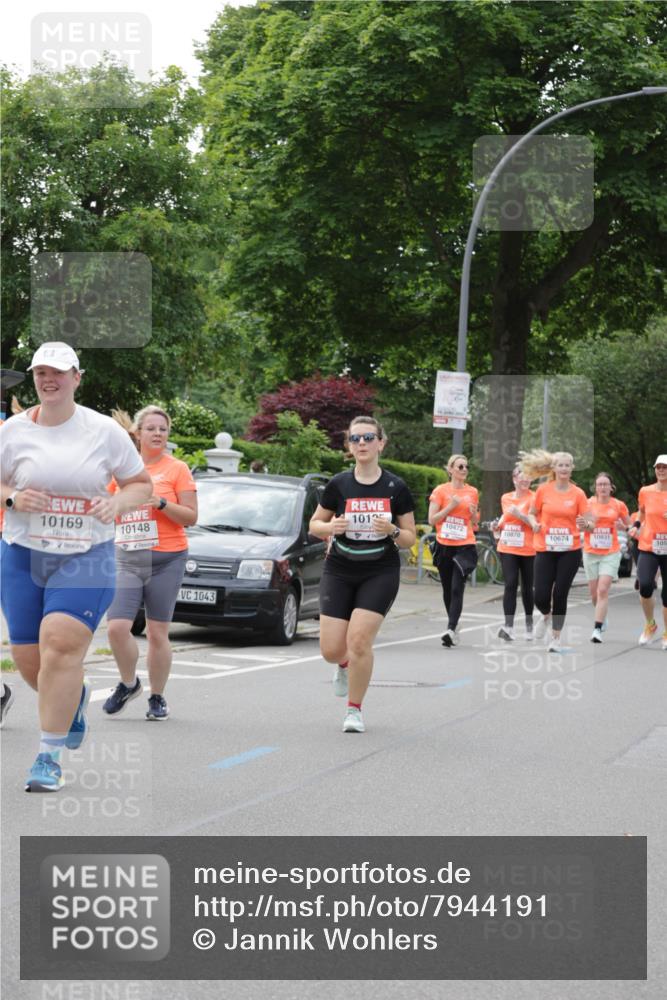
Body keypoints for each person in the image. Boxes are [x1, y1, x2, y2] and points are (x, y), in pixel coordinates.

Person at [0, 342, 151, 791]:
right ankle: (76, 698)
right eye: (42, 372)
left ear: (77, 378)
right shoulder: (12, 432)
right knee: (32, 664)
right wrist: (12, 498)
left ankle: (48, 757)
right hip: (23, 553)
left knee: (60, 645)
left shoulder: (102, 431)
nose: (50, 380)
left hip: (85, 554)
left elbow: (139, 485)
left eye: (59, 373)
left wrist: (117, 503)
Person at [309, 416, 416, 733]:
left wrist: (393, 530)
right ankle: (343, 666)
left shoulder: (396, 487)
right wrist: (331, 528)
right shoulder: (339, 484)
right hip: (340, 568)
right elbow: (315, 525)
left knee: (358, 641)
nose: (362, 444)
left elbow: (410, 537)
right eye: (355, 439)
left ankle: (353, 710)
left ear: (381, 443)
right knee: (331, 649)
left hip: (379, 570)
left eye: (369, 438)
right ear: (349, 446)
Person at [104, 406, 198, 720]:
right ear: (138, 433)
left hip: (167, 559)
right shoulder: (121, 471)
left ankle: (157, 697)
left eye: (163, 429)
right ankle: (129, 683)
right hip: (127, 558)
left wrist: (160, 502)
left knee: (157, 633)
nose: (158, 434)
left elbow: (191, 517)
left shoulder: (177, 469)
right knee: (117, 627)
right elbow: (107, 510)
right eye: (151, 428)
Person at [521, 449, 588, 653]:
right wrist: (534, 523)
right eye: (561, 465)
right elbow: (532, 514)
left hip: (570, 550)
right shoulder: (543, 490)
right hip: (545, 548)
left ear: (572, 468)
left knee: (560, 593)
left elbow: (590, 522)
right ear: (554, 468)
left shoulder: (578, 493)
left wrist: (585, 523)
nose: (564, 468)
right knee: (539, 595)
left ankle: (555, 639)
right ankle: (546, 614)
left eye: (568, 465)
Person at [428, 455, 479, 647]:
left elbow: (474, 522)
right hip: (444, 544)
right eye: (460, 466)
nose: (464, 469)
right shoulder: (440, 491)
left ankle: (450, 628)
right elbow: (432, 520)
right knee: (447, 588)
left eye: (466, 466)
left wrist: (474, 514)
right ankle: (455, 624)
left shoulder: (472, 492)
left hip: (465, 544)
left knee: (458, 586)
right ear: (450, 469)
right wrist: (451, 506)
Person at [577, 472, 630, 643]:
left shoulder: (619, 505)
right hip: (591, 552)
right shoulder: (588, 503)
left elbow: (630, 527)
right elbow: (584, 525)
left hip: (611, 552)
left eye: (605, 484)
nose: (602, 487)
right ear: (595, 487)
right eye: (599, 484)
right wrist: (585, 525)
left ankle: (597, 628)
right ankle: (602, 616)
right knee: (594, 594)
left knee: (602, 590)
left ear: (611, 487)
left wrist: (624, 527)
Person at [493, 464, 536, 641]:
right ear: (514, 479)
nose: (525, 479)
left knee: (527, 587)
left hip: (528, 547)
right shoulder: (506, 498)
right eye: (521, 475)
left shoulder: (535, 498)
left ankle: (529, 624)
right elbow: (505, 518)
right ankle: (508, 627)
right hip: (508, 545)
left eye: (528, 476)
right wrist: (497, 526)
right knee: (510, 584)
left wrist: (520, 516)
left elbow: (535, 524)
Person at [636, 454, 667, 649]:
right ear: (655, 469)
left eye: (665, 467)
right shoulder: (645, 491)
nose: (662, 470)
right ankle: (650, 624)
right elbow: (641, 510)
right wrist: (637, 524)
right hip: (649, 545)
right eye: (659, 467)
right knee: (645, 585)